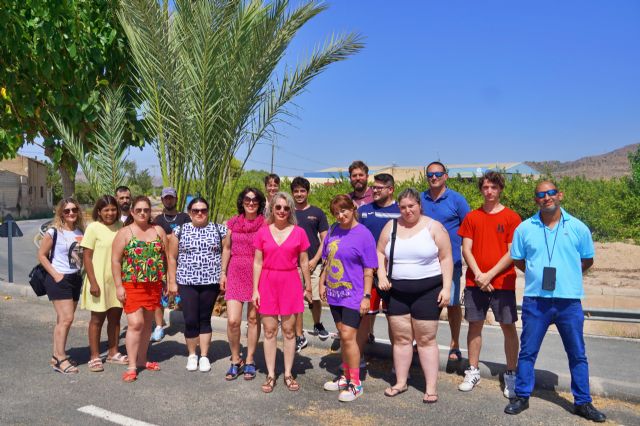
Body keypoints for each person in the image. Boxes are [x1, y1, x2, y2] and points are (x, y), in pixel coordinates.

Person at [504, 181, 606, 422]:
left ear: (560, 195)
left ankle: (583, 402)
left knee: (577, 354)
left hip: (568, 302)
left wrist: (568, 275)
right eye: (541, 194)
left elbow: (587, 260)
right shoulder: (525, 228)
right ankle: (521, 396)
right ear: (535, 199)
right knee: (528, 352)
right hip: (536, 301)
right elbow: (519, 261)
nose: (546, 197)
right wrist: (538, 275)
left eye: (551, 193)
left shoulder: (579, 228)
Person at [377, 188, 453, 403]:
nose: (407, 210)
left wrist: (446, 288)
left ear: (419, 205)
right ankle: (401, 382)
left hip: (428, 292)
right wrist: (381, 274)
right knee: (401, 339)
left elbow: (446, 258)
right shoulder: (391, 226)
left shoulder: (434, 227)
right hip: (397, 293)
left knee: (426, 340)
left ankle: (430, 388)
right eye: (403, 207)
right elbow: (379, 251)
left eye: (411, 206)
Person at [457, 171, 521, 396]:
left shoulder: (512, 217)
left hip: (503, 283)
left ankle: (511, 373)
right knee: (475, 325)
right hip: (476, 283)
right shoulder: (472, 217)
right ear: (481, 190)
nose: (489, 191)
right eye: (485, 187)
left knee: (508, 327)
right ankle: (472, 370)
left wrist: (489, 275)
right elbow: (466, 248)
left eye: (494, 187)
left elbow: (513, 252)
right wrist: (478, 275)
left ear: (500, 189)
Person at [319, 194, 377, 402]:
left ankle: (355, 383)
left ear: (353, 209)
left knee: (348, 336)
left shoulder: (364, 234)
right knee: (343, 335)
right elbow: (327, 259)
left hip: (354, 294)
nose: (341, 215)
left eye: (344, 210)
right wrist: (321, 282)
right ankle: (345, 376)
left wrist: (366, 296)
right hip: (335, 293)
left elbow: (369, 268)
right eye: (336, 213)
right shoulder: (333, 230)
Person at [252, 192, 312, 393]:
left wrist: (308, 286)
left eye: (286, 208)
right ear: (272, 209)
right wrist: (255, 290)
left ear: (291, 210)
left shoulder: (299, 232)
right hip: (267, 283)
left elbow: (304, 261)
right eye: (278, 207)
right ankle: (270, 374)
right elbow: (258, 262)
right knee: (269, 331)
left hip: (290, 282)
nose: (282, 211)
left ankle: (287, 373)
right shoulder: (262, 232)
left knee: (288, 330)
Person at [112, 196, 167, 382]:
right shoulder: (125, 232)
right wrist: (119, 286)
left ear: (150, 212)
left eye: (146, 210)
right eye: (139, 210)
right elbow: (116, 260)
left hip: (153, 284)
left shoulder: (158, 230)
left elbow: (167, 258)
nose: (143, 213)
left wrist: (169, 280)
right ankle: (132, 365)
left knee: (146, 325)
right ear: (133, 212)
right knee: (136, 323)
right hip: (132, 285)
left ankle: (143, 360)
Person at [167, 197, 226, 373]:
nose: (200, 213)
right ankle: (192, 355)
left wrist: (224, 274)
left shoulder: (219, 230)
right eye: (195, 210)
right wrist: (172, 280)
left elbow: (227, 251)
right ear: (189, 212)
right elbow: (171, 257)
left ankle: (205, 356)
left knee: (204, 319)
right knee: (190, 319)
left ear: (207, 211)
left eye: (203, 210)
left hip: (210, 281)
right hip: (187, 281)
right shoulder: (180, 230)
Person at [420, 161, 470, 361]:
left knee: (452, 304)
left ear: (446, 176)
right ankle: (420, 342)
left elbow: (469, 230)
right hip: (424, 262)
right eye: (430, 174)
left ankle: (455, 344)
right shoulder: (420, 198)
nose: (434, 177)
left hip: (452, 262)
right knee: (422, 303)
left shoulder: (457, 200)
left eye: (438, 174)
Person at [221, 187, 266, 381]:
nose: (251, 202)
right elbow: (227, 248)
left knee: (254, 320)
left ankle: (249, 359)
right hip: (235, 272)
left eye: (255, 200)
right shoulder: (232, 223)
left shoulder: (265, 224)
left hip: (257, 273)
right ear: (242, 201)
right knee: (233, 321)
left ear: (260, 203)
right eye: (247, 199)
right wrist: (222, 272)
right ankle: (235, 359)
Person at [38, 198, 85, 374]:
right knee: (67, 319)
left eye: (74, 210)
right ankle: (60, 359)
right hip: (59, 279)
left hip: (75, 278)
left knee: (62, 319)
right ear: (61, 213)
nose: (71, 213)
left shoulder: (80, 231)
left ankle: (56, 354)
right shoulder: (54, 232)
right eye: (67, 211)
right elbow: (41, 255)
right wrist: (56, 274)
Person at [80, 196, 127, 372]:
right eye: (106, 210)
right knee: (97, 319)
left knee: (115, 319)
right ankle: (94, 356)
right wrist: (93, 282)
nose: (110, 213)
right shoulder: (93, 228)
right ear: (99, 211)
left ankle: (113, 352)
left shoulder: (121, 227)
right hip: (98, 280)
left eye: (113, 209)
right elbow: (87, 256)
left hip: (116, 281)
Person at [356, 173, 400, 350]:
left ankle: (397, 362)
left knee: (394, 318)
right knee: (365, 314)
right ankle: (358, 361)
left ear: (390, 190)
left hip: (393, 274)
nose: (374, 190)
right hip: (368, 273)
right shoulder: (363, 211)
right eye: (373, 187)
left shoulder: (400, 211)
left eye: (379, 188)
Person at [291, 177, 330, 352]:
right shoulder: (288, 212)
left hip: (314, 263)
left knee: (314, 299)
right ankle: (299, 335)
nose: (299, 194)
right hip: (293, 264)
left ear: (308, 192)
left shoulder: (317, 213)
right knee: (296, 300)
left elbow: (325, 239)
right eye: (296, 191)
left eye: (302, 191)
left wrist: (315, 261)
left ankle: (317, 323)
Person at [151, 187, 191, 342]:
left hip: (183, 265)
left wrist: (167, 237)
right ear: (162, 200)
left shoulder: (185, 217)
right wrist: (174, 237)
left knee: (186, 297)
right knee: (159, 298)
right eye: (166, 198)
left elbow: (187, 236)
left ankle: (190, 325)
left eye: (171, 198)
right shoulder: (158, 220)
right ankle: (159, 326)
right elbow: (156, 239)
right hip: (161, 265)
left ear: (176, 199)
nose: (169, 200)